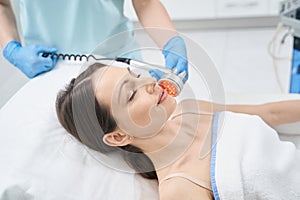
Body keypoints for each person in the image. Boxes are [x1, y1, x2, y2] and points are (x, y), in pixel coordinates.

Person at [55, 63, 300, 199]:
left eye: (137, 75)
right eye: (131, 94)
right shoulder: (179, 189)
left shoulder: (191, 109)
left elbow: (269, 113)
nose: (149, 83)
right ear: (119, 136)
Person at [0, 0, 188, 80]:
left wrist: (170, 42)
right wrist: (11, 47)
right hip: (47, 67)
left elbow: (145, 2)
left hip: (118, 60)